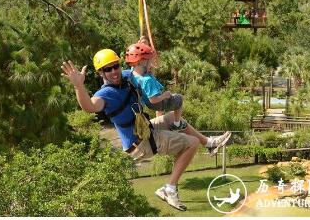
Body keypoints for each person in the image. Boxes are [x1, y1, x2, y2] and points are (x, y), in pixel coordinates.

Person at [60, 39, 231, 211]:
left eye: (115, 66)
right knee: (191, 144)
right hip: (140, 142)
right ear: (100, 73)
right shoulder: (105, 94)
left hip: (146, 129)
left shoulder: (127, 76)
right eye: (107, 69)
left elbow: (140, 68)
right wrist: (78, 86)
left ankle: (209, 144)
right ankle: (169, 189)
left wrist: (143, 50)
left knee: (173, 118)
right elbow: (89, 107)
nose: (113, 72)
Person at [125, 42, 186, 131]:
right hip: (157, 103)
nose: (151, 63)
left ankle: (162, 122)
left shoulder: (132, 74)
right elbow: (153, 100)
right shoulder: (147, 80)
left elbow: (147, 71)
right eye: (149, 61)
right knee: (179, 99)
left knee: (169, 99)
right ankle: (177, 124)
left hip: (147, 103)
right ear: (142, 62)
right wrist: (165, 95)